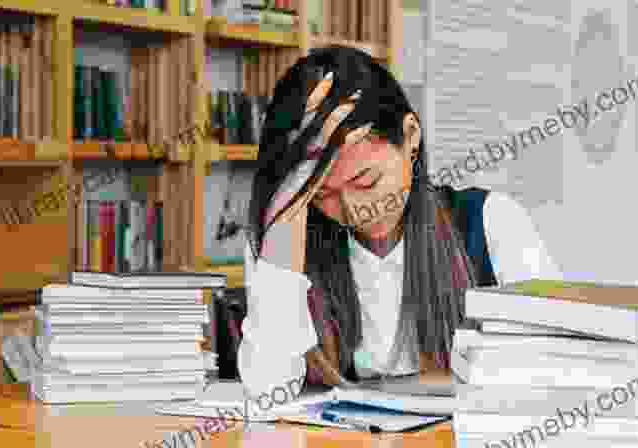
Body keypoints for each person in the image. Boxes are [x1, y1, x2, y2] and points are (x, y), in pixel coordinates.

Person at [236, 45, 562, 400]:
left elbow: (557, 369)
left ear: (410, 138)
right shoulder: (282, 241)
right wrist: (290, 207)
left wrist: (401, 389)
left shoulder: (492, 222)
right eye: (322, 194)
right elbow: (268, 392)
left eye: (366, 181)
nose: (353, 208)